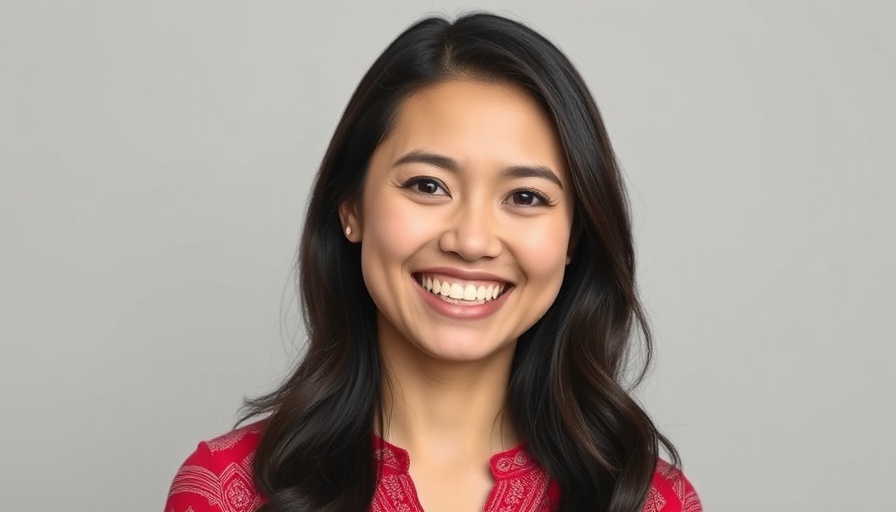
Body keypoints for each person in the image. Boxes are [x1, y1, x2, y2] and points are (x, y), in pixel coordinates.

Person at [164, 12, 701, 512]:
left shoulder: (645, 499)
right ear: (351, 207)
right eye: (428, 185)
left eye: (525, 197)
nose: (471, 240)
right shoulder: (230, 492)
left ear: (572, 239)